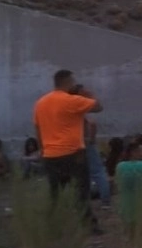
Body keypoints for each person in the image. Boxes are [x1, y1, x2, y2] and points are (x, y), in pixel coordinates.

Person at [32, 70, 104, 234]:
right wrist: (85, 93)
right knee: (81, 190)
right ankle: (88, 225)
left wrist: (42, 149)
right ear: (68, 82)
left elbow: (38, 128)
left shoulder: (41, 103)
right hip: (73, 153)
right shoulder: (72, 100)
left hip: (51, 155)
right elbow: (99, 107)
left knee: (56, 193)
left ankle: (53, 226)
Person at [84, 116, 111, 209]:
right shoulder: (80, 112)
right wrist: (91, 139)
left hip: (74, 144)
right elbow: (92, 123)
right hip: (86, 143)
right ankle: (105, 201)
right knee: (98, 172)